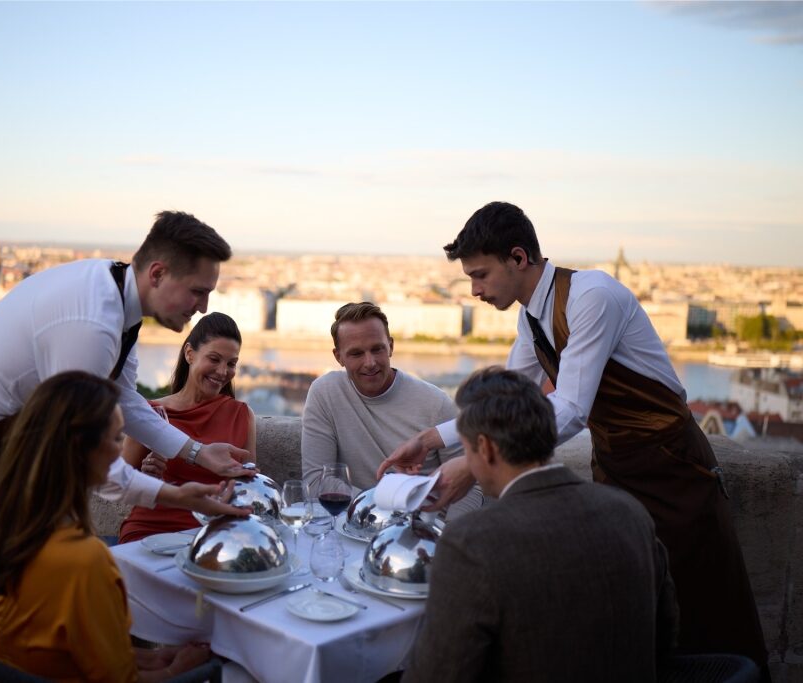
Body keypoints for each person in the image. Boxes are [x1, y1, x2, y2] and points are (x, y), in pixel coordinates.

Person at [380, 201, 767, 671]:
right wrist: (432, 440)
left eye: (480, 275)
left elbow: (569, 409)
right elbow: (507, 396)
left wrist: (474, 462)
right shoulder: (531, 318)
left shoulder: (592, 296)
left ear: (518, 258)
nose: (475, 290)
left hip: (670, 468)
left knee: (699, 605)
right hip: (618, 465)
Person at [0, 211, 250, 682]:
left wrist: (196, 452)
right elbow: (89, 451)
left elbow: (124, 402)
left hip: (0, 433)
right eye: (198, 290)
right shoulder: (91, 324)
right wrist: (176, 494)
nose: (202, 305)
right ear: (158, 273)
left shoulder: (117, 297)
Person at [403, 367, 679, 683]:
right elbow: (665, 636)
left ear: (487, 448)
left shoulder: (472, 543)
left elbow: (438, 675)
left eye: (465, 450)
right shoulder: (629, 511)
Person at [0, 370, 213, 682]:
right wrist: (181, 668)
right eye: (117, 438)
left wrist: (156, 657)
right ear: (82, 450)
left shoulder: (8, 532)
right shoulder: (85, 561)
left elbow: (67, 649)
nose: (121, 452)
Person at [301, 302, 481, 515]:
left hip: (421, 531)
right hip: (352, 523)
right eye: (356, 354)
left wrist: (450, 539)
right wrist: (380, 509)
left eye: (377, 349)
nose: (370, 363)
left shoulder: (435, 403)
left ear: (391, 346)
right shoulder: (325, 392)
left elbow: (470, 486)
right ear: (338, 357)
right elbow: (317, 480)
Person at [119, 312, 256, 542]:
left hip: (213, 533)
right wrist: (146, 476)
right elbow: (120, 483)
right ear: (190, 354)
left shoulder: (242, 415)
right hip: (151, 528)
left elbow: (249, 487)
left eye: (231, 363)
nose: (223, 372)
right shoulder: (149, 413)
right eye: (214, 359)